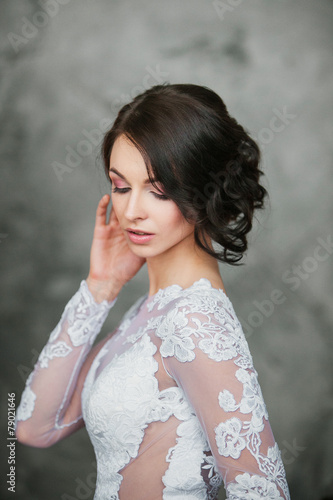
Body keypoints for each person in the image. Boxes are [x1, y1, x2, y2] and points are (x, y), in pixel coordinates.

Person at [16, 83, 290, 499]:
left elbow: (264, 491)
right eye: (121, 187)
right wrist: (101, 287)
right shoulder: (149, 311)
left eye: (159, 191)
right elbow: (34, 427)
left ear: (204, 192)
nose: (130, 211)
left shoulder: (197, 320)